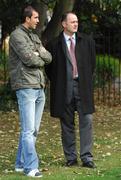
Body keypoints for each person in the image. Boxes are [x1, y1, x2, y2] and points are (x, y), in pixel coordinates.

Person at [45, 12, 96, 168]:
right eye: (72, 22)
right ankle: (71, 158)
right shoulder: (54, 44)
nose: (76, 24)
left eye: (77, 21)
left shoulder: (86, 41)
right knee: (66, 124)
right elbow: (50, 70)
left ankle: (87, 158)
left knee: (87, 121)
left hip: (82, 87)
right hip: (64, 89)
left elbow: (91, 65)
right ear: (64, 24)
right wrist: (62, 82)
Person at [8, 5, 52, 178]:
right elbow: (28, 59)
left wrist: (38, 53)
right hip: (26, 86)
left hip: (39, 86)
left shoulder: (34, 35)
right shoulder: (17, 35)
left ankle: (20, 164)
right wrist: (37, 55)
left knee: (32, 129)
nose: (38, 20)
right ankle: (30, 168)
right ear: (27, 18)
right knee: (28, 130)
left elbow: (48, 57)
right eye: (35, 18)